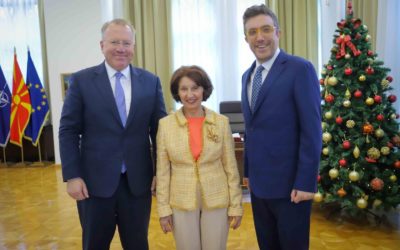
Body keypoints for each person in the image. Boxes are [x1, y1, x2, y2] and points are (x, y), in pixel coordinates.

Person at [59, 19, 166, 250]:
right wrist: (72, 175)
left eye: (126, 43)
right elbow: (68, 130)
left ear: (134, 47)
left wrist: (161, 172)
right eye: (114, 42)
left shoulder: (150, 82)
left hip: (138, 183)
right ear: (102, 45)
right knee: (94, 244)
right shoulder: (81, 81)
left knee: (138, 244)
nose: (121, 48)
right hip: (93, 184)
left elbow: (160, 133)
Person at [241, 4, 322, 250]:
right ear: (246, 39)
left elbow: (312, 130)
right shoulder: (247, 75)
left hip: (292, 188)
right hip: (259, 185)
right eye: (252, 32)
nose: (260, 37)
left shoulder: (300, 69)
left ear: (278, 33)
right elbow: (251, 129)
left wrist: (306, 183)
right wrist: (248, 173)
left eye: (266, 29)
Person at [156, 65, 243, 250]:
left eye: (195, 88)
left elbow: (231, 168)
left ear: (204, 90)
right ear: (177, 93)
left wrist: (236, 205)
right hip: (181, 199)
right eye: (184, 89)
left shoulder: (221, 122)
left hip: (217, 197)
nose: (190, 94)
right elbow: (162, 172)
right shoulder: (165, 125)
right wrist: (163, 210)